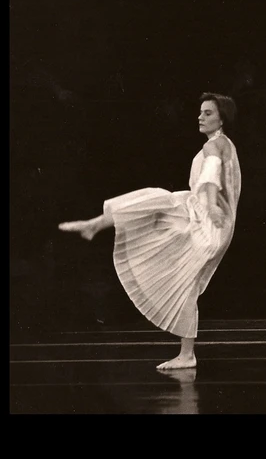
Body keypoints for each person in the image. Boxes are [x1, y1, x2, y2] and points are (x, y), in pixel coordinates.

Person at [59, 93, 242, 370]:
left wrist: (214, 202)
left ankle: (187, 354)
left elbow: (211, 173)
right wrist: (211, 202)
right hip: (201, 214)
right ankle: (97, 223)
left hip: (209, 222)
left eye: (207, 113)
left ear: (221, 118)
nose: (200, 117)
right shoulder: (223, 144)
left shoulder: (215, 146)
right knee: (156, 200)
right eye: (200, 112)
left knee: (183, 279)